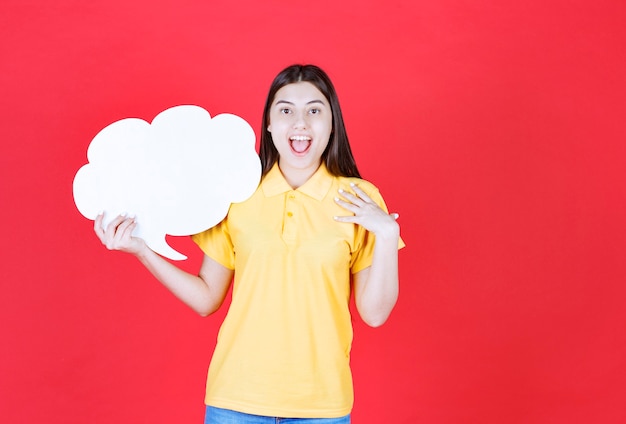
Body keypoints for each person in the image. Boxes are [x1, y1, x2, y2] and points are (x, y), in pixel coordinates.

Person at [94, 64, 404, 423]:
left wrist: (387, 234)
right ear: (269, 123)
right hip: (235, 401)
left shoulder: (360, 200)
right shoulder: (236, 195)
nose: (300, 123)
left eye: (314, 110)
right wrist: (142, 250)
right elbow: (207, 298)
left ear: (332, 123)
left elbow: (375, 313)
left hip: (322, 406)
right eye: (285, 110)